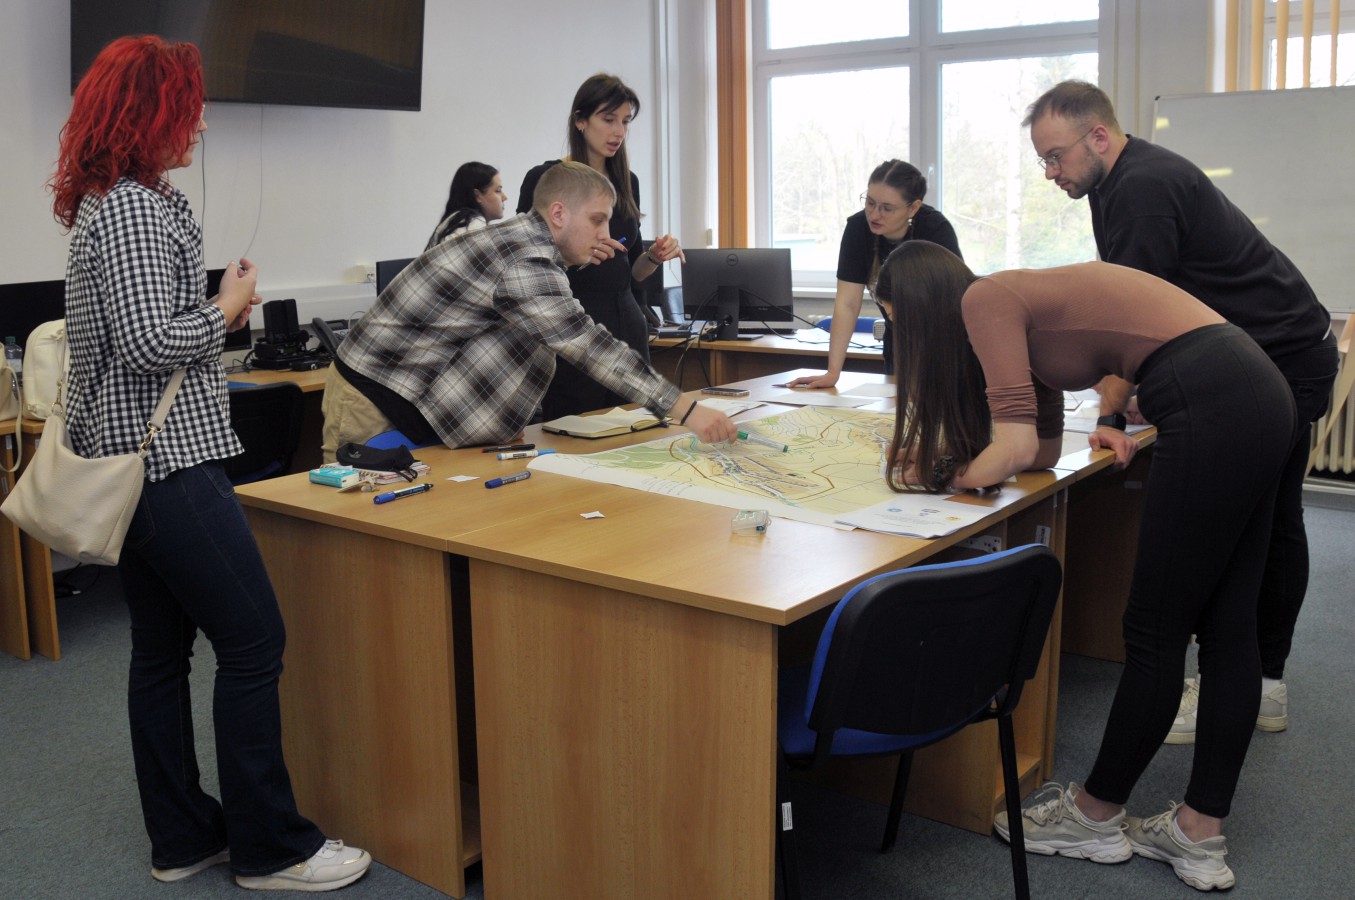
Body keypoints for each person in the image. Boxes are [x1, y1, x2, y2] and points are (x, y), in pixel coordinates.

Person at [50, 36, 370, 891]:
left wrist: (213, 301)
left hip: (133, 464)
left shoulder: (113, 202)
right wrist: (226, 306)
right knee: (255, 641)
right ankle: (272, 849)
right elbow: (149, 343)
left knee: (160, 653)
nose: (197, 127)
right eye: (186, 111)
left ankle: (184, 837)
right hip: (164, 467)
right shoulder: (132, 209)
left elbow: (139, 331)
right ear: (148, 114)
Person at [882, 241, 1294, 891]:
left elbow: (1013, 445)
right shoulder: (1013, 305)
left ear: (916, 308)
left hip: (1207, 394)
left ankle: (1094, 816)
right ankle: (1197, 830)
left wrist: (938, 476)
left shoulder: (985, 299)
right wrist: (976, 463)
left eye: (894, 322)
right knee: (1228, 626)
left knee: (1154, 631)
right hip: (1257, 388)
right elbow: (1041, 449)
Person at [1024, 80, 1339, 743]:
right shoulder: (1114, 182)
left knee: (1260, 524)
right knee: (1260, 522)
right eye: (1042, 160)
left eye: (1054, 156)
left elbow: (1126, 318)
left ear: (1098, 137)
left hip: (1281, 360)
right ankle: (1255, 681)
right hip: (1252, 358)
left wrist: (1110, 417)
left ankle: (1261, 686)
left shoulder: (1142, 188)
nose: (1049, 172)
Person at [322, 161, 736, 456]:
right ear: (558, 213)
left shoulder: (527, 245)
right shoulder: (525, 260)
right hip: (371, 398)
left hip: (407, 395)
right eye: (597, 220)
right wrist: (686, 410)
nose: (605, 234)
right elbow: (588, 345)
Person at [516, 73, 684, 419]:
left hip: (627, 324)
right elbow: (523, 266)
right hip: (574, 326)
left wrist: (654, 256)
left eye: (625, 122)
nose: (619, 132)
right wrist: (576, 258)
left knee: (634, 430)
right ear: (580, 121)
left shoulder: (627, 181)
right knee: (575, 431)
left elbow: (633, 272)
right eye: (608, 120)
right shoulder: (546, 179)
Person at [786, 159, 961, 387]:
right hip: (898, 343)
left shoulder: (935, 230)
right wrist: (832, 372)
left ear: (913, 207)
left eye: (887, 208)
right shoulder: (858, 228)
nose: (875, 215)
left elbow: (953, 301)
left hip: (944, 343)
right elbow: (847, 303)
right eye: (870, 203)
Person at [425, 161, 507, 249]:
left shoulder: (453, 221)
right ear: (477, 196)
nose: (505, 197)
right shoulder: (473, 225)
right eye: (498, 191)